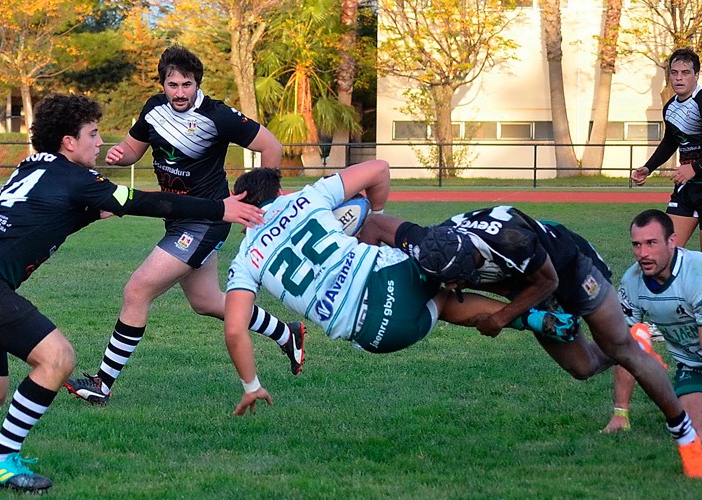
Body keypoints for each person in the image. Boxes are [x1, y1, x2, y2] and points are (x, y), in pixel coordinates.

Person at [0, 94, 264, 491]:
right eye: (93, 134)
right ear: (68, 142)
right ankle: (0, 461)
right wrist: (218, 209)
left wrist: (96, 208)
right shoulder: (75, 178)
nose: (100, 143)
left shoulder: (33, 167)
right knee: (58, 358)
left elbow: (52, 210)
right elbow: (139, 200)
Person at [357, 206, 702, 478]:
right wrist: (362, 277)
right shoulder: (425, 239)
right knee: (583, 367)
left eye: (457, 279)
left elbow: (548, 281)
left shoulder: (511, 240)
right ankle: (606, 335)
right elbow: (373, 226)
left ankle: (683, 433)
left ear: (471, 261)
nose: (452, 285)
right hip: (519, 282)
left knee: (618, 348)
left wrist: (502, 319)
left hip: (568, 268)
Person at [223, 161, 575, 416]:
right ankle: (519, 296)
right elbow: (379, 168)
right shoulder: (306, 197)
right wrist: (373, 212)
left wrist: (252, 387)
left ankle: (526, 319)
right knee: (395, 235)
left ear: (239, 204)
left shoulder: (244, 259)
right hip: (395, 278)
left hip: (380, 337)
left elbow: (236, 329)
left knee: (445, 304)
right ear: (280, 192)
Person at [64, 45, 304, 405]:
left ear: (197, 84)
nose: (179, 92)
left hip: (207, 219)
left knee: (137, 291)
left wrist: (261, 203)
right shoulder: (153, 108)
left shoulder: (218, 115)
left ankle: (103, 383)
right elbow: (133, 150)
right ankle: (288, 333)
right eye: (172, 84)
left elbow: (271, 146)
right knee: (206, 301)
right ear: (163, 84)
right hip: (178, 216)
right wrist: (118, 155)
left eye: (186, 84)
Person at [602, 210, 702, 437]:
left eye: (651, 243)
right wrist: (620, 413)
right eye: (637, 245)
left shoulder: (697, 273)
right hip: (693, 368)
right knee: (694, 432)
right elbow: (624, 348)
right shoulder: (632, 282)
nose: (643, 253)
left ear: (672, 242)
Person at [631, 48, 702, 249]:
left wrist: (694, 168)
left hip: (694, 174)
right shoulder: (670, 107)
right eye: (674, 72)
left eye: (686, 73)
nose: (679, 78)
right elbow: (670, 141)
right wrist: (648, 167)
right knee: (667, 251)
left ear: (696, 75)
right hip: (687, 187)